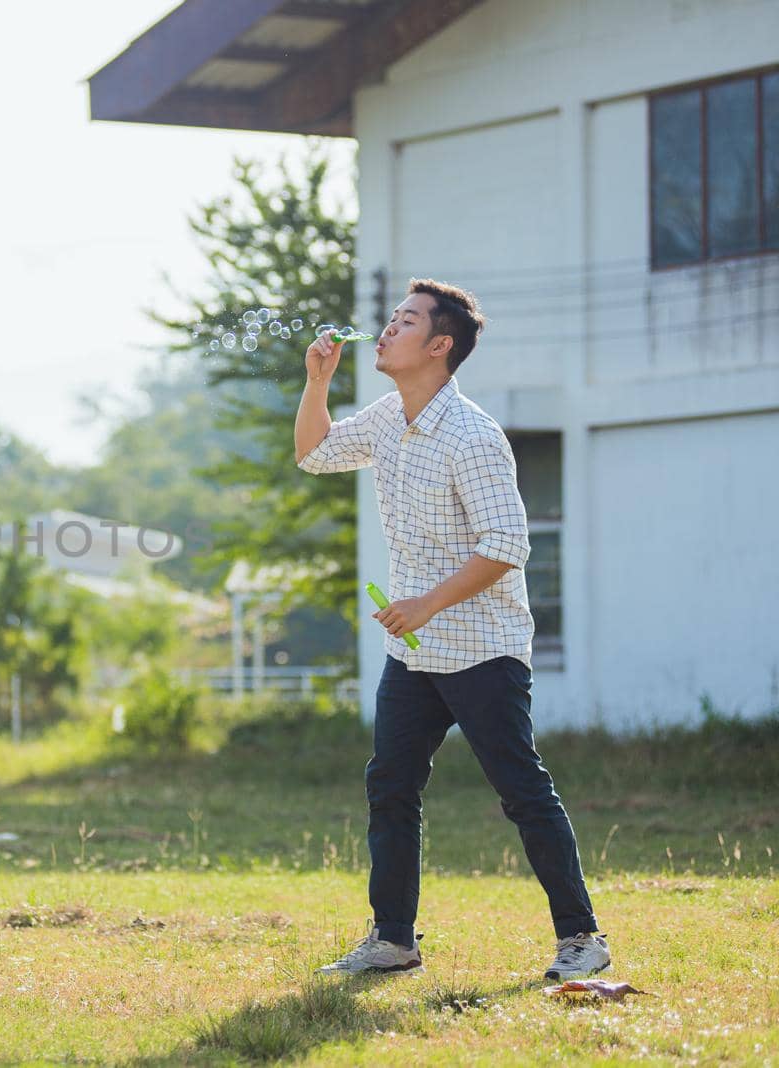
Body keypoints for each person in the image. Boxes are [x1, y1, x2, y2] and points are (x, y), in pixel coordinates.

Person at [295, 278, 610, 981]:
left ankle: (580, 938)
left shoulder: (472, 436)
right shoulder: (386, 417)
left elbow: (507, 546)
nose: (386, 331)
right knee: (391, 786)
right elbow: (315, 453)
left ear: (439, 346)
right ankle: (394, 941)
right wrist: (318, 382)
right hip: (414, 651)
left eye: (404, 322)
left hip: (482, 648)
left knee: (521, 791)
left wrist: (427, 604)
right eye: (391, 319)